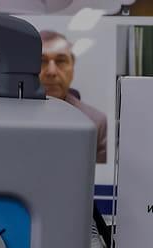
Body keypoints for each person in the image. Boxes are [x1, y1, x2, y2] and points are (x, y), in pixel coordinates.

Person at [39, 30, 108, 163]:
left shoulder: (97, 123)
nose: (51, 72)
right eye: (41, 61)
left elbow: (101, 174)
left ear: (72, 67)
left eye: (61, 61)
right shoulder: (11, 118)